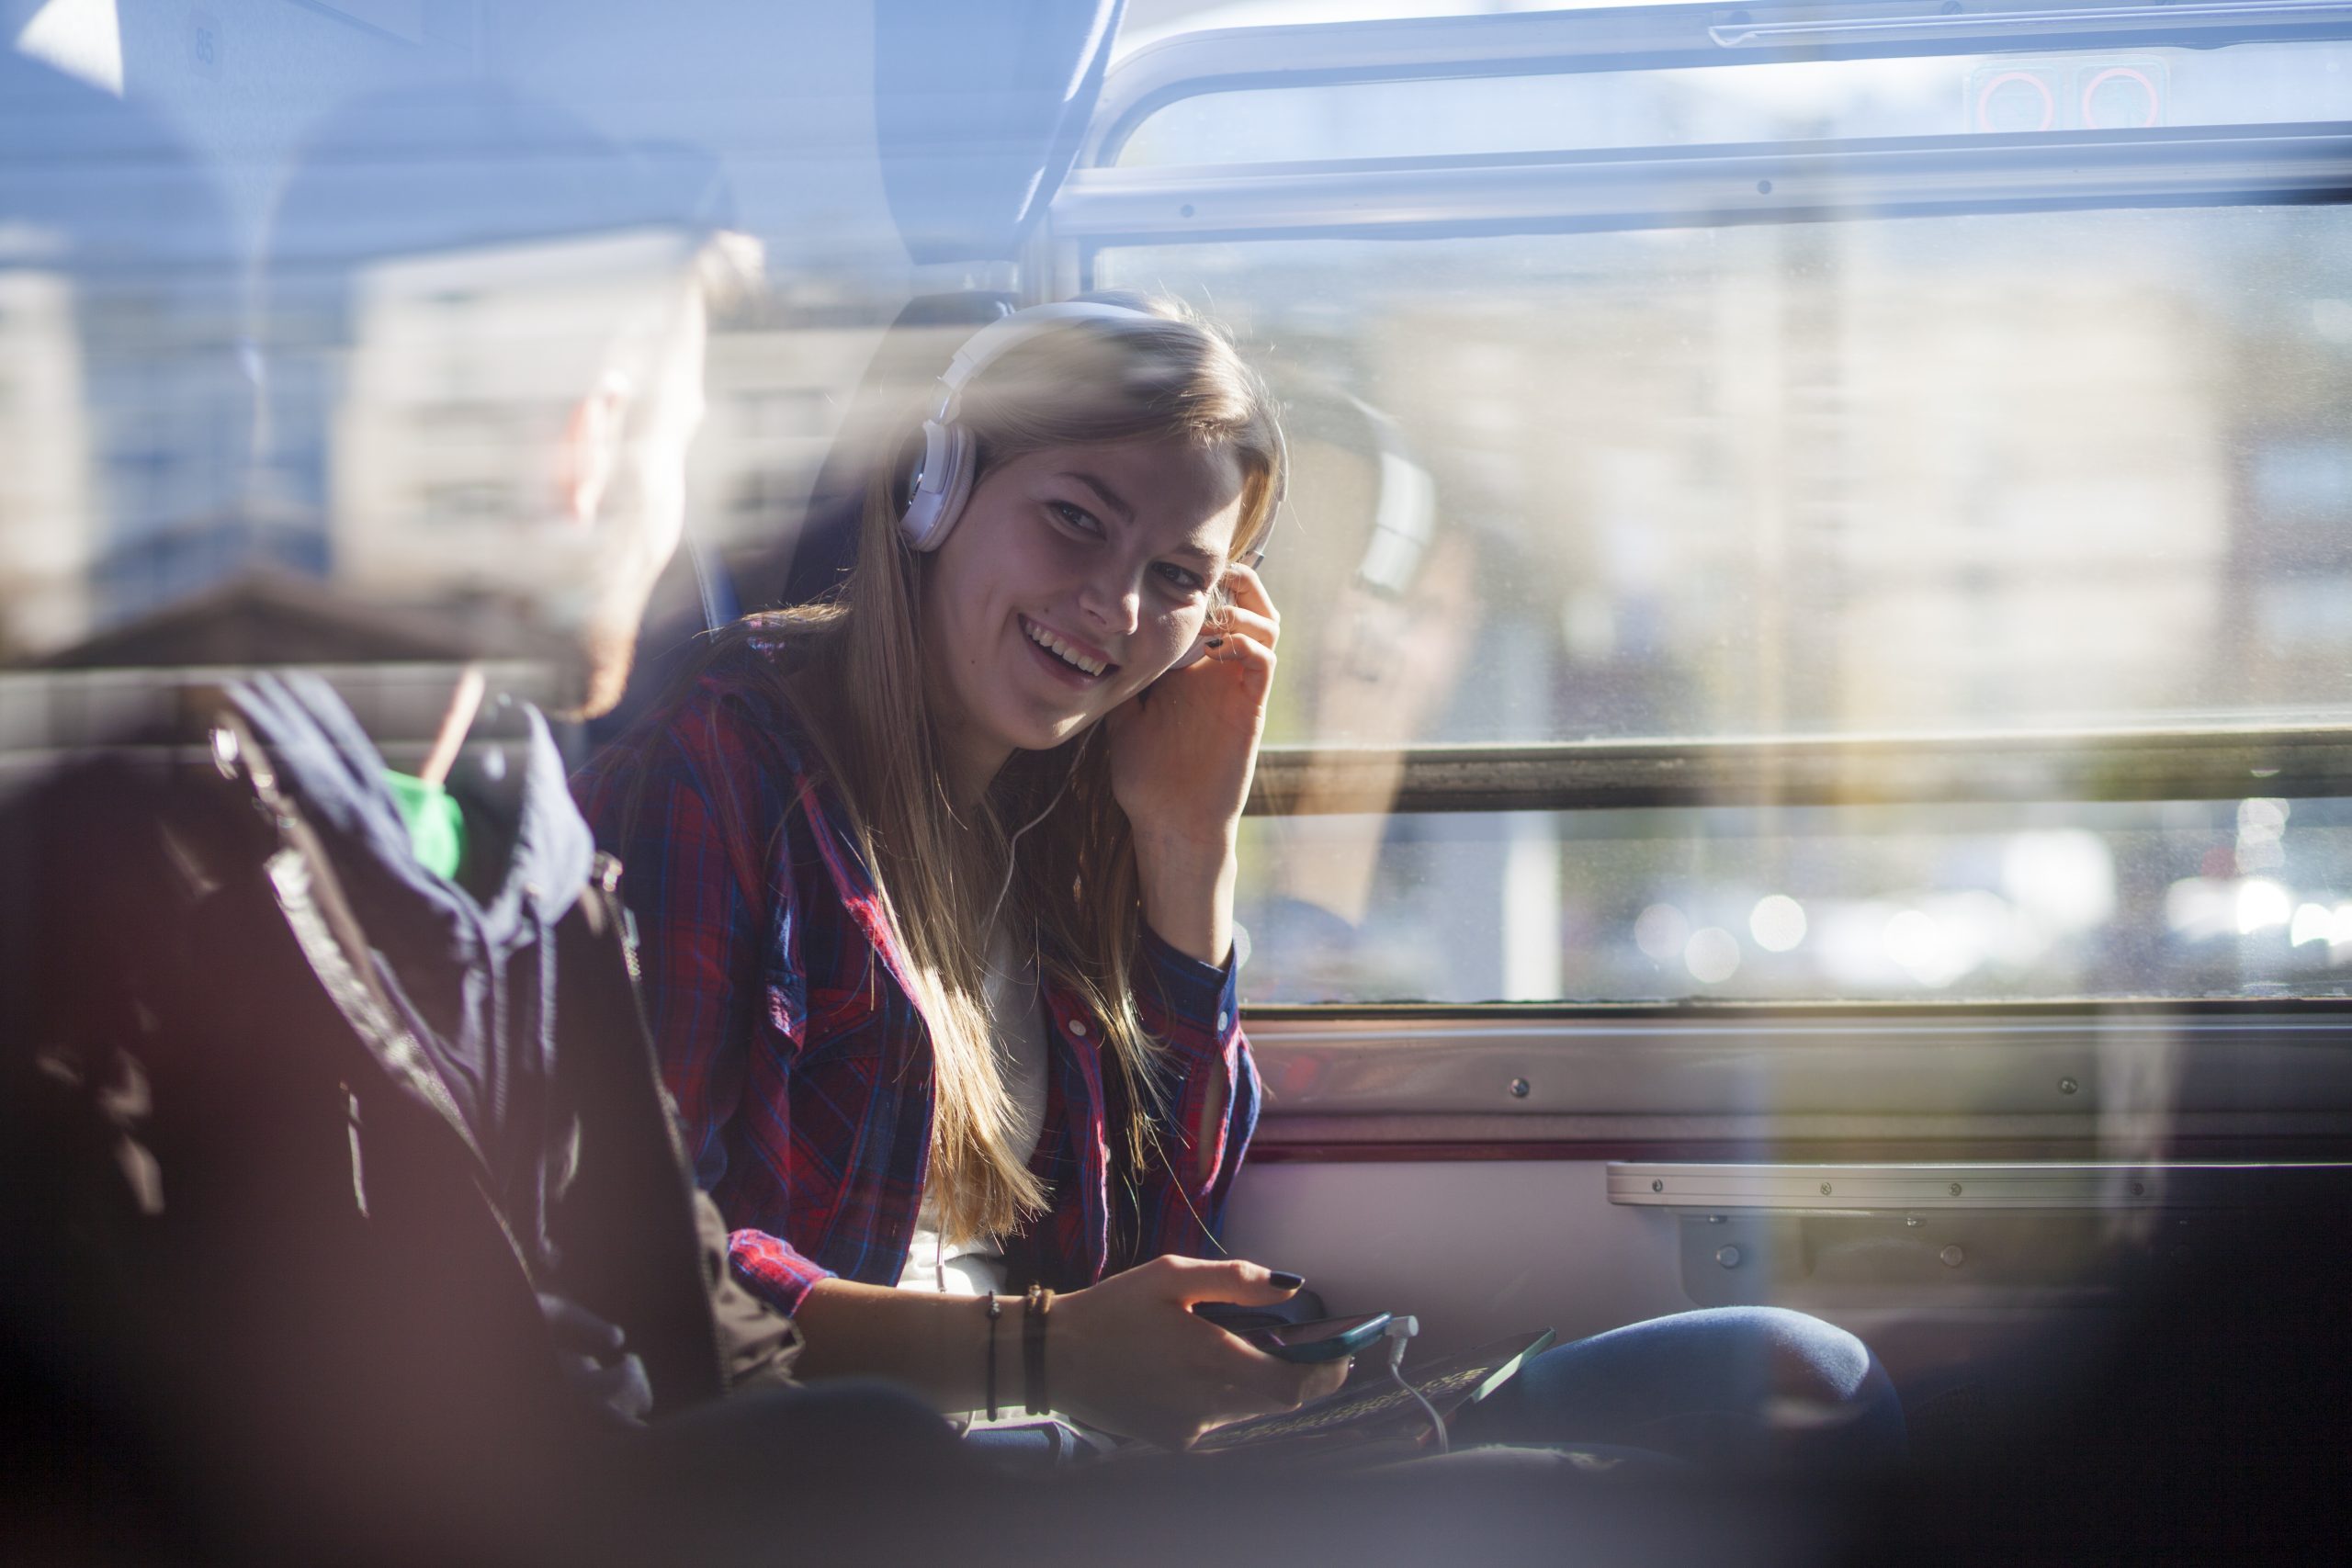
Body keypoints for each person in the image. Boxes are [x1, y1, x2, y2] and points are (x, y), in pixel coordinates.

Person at [577, 296, 1905, 1463]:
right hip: (903, 1487)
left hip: (1100, 1464)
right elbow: (664, 1278)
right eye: (1074, 520)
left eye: (1172, 578)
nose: (1111, 608)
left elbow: (1162, 1243)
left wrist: (1190, 844)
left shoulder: (1064, 818)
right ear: (936, 490)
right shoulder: (722, 765)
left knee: (1796, 1373)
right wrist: (1034, 1354)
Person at [0, 80, 956, 1564]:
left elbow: (696, 1332)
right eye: (678, 455)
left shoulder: (537, 856)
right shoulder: (151, 865)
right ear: (585, 449)